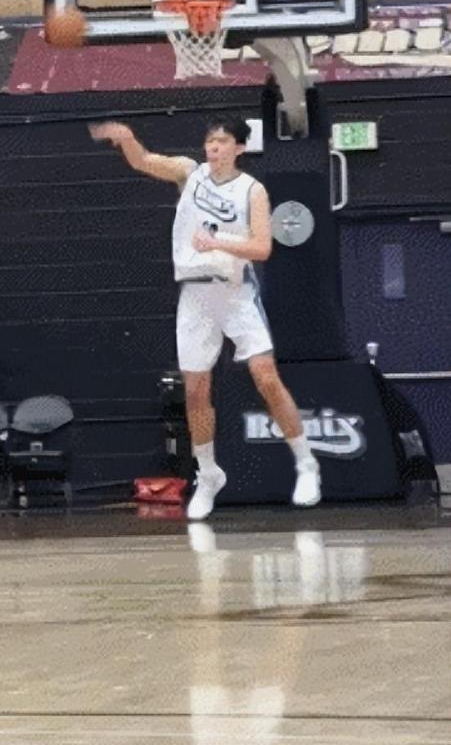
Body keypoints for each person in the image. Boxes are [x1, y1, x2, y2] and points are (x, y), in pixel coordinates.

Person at [89, 117, 321, 521]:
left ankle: (305, 462)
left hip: (235, 292)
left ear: (239, 148)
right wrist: (127, 138)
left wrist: (218, 242)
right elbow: (143, 161)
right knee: (196, 390)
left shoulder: (252, 190)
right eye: (210, 141)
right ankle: (209, 473)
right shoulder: (189, 173)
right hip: (195, 295)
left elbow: (263, 248)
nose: (214, 147)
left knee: (266, 377)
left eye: (223, 141)